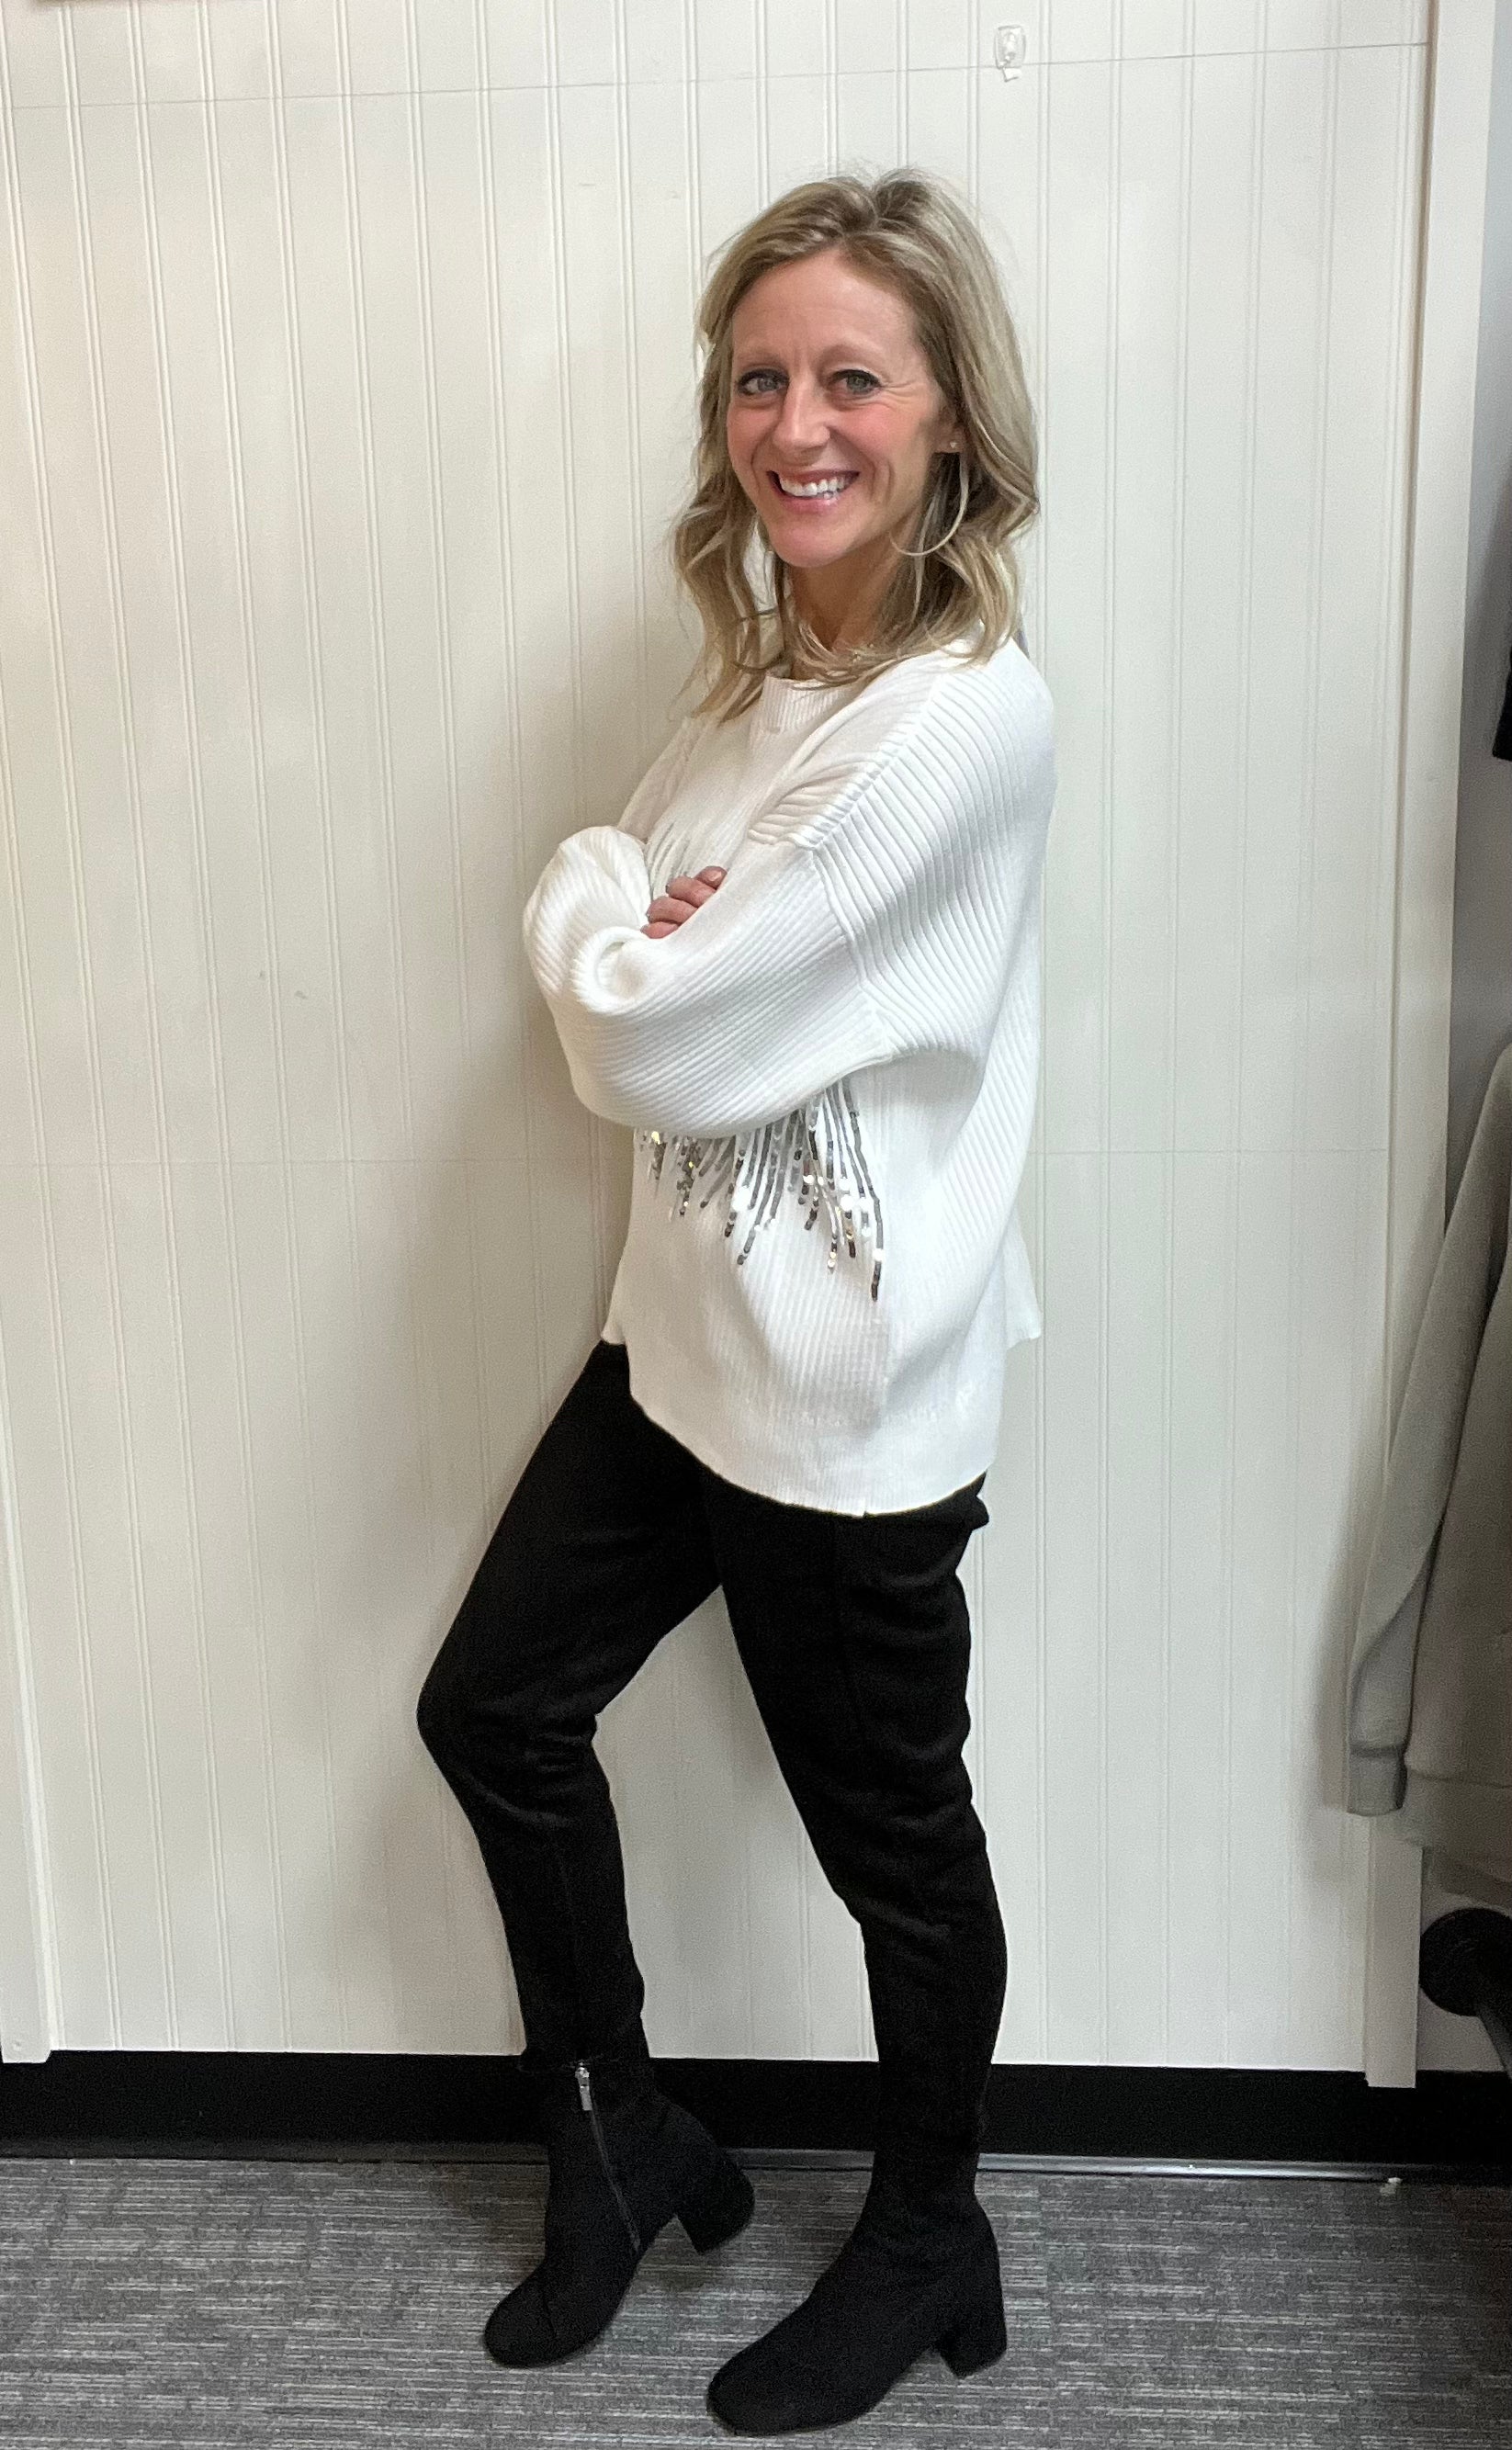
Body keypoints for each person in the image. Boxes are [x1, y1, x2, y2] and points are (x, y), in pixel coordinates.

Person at [416, 165, 1056, 2436]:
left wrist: (617, 911)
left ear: (949, 412)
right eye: (758, 378)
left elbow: (639, 1025)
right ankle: (620, 2132)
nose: (795, 424)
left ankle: (932, 2229)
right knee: (495, 1710)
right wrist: (634, 903)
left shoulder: (957, 721)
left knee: (899, 1857)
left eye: (849, 377)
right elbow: (644, 945)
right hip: (675, 1345)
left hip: (840, 1403)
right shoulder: (770, 677)